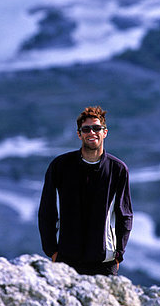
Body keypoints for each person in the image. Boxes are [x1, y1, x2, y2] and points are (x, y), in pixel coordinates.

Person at [38, 106, 133, 275]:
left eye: (97, 128)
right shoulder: (60, 166)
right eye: (86, 129)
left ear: (105, 132)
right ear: (79, 134)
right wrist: (51, 251)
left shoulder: (118, 169)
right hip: (66, 260)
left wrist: (119, 254)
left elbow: (124, 215)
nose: (92, 132)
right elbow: (47, 211)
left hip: (104, 262)